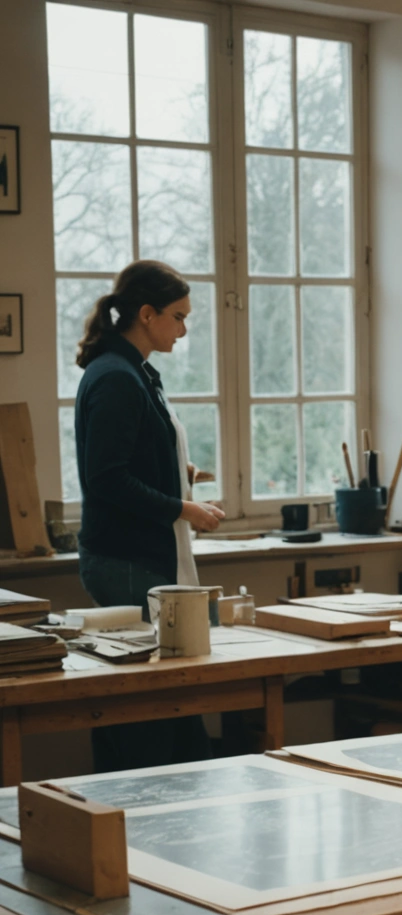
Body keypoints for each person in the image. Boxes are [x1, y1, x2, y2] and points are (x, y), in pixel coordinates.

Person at [72, 260, 219, 771]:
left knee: (171, 707)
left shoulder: (134, 371)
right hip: (127, 560)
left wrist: (177, 470)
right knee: (150, 711)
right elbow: (106, 479)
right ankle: (141, 799)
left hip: (138, 556)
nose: (183, 330)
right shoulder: (116, 377)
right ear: (147, 314)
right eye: (178, 317)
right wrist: (183, 507)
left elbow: (132, 455)